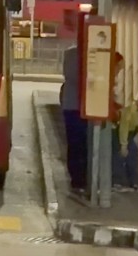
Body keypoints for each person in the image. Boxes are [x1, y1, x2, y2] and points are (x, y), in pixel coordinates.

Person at [60, 42, 87, 193]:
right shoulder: (73, 54)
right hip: (76, 105)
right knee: (79, 144)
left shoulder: (69, 53)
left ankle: (78, 178)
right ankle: (79, 178)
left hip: (71, 105)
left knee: (75, 144)